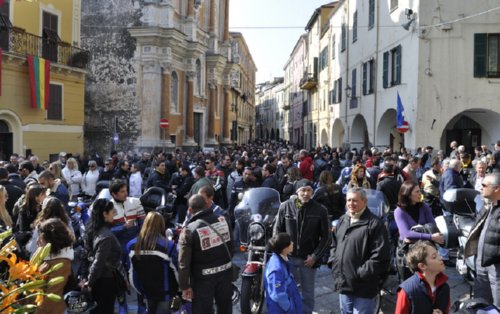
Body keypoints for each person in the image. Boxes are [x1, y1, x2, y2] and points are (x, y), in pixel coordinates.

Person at [273, 179, 331, 314]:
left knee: (308, 294)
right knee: (287, 290)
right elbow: (277, 231)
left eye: (309, 190)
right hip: (289, 258)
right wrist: (281, 253)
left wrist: (315, 257)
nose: (306, 194)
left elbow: (326, 238)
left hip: (308, 260)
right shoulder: (286, 206)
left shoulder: (320, 209)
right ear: (297, 191)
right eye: (303, 190)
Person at [330, 187, 390, 314]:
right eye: (349, 200)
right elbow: (334, 244)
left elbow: (380, 256)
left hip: (363, 286)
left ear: (365, 201)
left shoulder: (374, 224)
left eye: (355, 200)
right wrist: (334, 263)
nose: (351, 203)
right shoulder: (343, 220)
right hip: (344, 282)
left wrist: (360, 273)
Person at [178, 194, 233, 313]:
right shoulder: (223, 220)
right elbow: (231, 247)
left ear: (190, 210)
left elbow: (183, 263)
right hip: (225, 274)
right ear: (207, 205)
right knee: (226, 308)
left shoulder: (189, 230)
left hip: (202, 280)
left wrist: (184, 286)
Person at [127, 211, 178, 314]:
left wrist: (139, 290)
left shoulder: (132, 245)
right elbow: (176, 270)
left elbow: (131, 273)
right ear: (161, 224)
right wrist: (180, 288)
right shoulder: (168, 245)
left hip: (146, 291)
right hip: (165, 292)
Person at [394, 181, 446, 280]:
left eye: (420, 191)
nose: (420, 194)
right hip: (406, 251)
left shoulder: (424, 207)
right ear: (408, 194)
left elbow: (432, 226)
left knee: (428, 279)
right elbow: (406, 233)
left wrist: (415, 234)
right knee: (407, 280)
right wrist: (431, 237)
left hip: (424, 249)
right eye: (417, 192)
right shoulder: (399, 211)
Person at [80, 199, 122, 314]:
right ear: (104, 214)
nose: (115, 214)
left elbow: (85, 256)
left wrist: (85, 278)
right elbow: (98, 262)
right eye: (113, 211)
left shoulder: (92, 230)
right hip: (105, 282)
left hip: (96, 281)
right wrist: (89, 282)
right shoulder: (106, 236)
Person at [464, 172, 500, 307]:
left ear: (496, 188)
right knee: (481, 302)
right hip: (482, 264)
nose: (481, 187)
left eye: (484, 185)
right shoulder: (490, 205)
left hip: (496, 266)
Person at [395, 241, 450, 314]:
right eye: (434, 257)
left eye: (438, 254)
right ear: (422, 266)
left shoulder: (444, 287)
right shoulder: (407, 291)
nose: (441, 257)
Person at [36, 218, 75, 314]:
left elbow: (52, 295)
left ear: (51, 240)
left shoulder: (62, 263)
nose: (37, 241)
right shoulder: (49, 257)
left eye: (41, 238)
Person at [265, 232, 302, 314]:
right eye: (290, 242)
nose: (292, 243)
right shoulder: (276, 269)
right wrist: (289, 308)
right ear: (285, 248)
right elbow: (277, 294)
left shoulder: (282, 259)